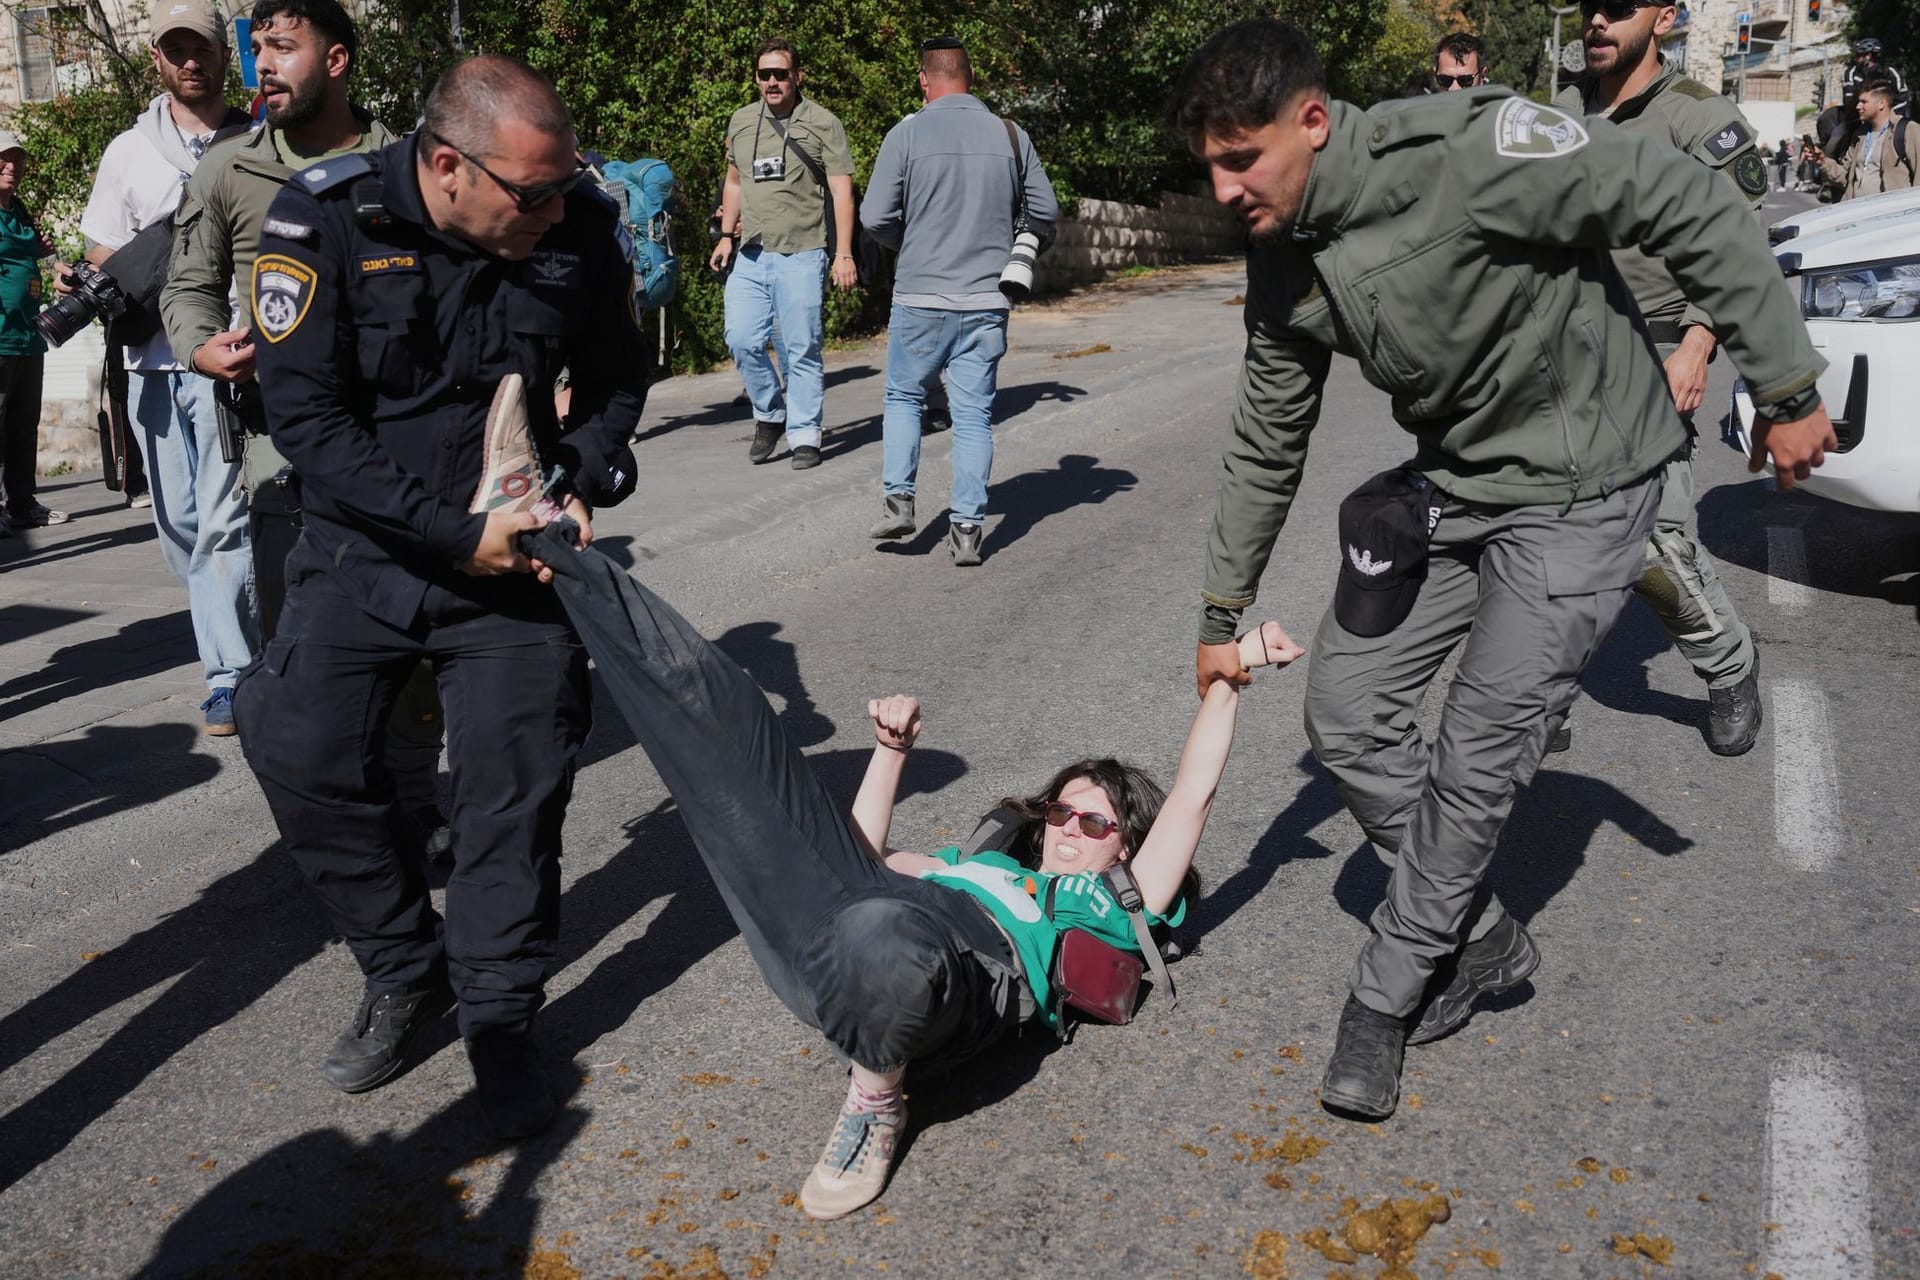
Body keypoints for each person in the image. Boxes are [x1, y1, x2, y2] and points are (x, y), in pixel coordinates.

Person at [1169, 19, 1836, 1122]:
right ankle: (1477, 936)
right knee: (1344, 710)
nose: (1229, 186)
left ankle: (1383, 996)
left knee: (1480, 749)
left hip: (1590, 482)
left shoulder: (1465, 153)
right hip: (1467, 482)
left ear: (1314, 121)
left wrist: (1788, 383)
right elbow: (1267, 431)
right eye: (1212, 167)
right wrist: (1221, 605)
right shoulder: (1282, 252)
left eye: (1245, 157)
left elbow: (1687, 200)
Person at [531, 513, 1300, 1216]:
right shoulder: (972, 863)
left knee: (882, 933)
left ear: (1123, 842)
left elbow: (1193, 794)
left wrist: (1234, 671)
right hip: (845, 943)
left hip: (961, 975)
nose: (1067, 828)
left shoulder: (1110, 902)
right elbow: (855, 861)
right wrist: (890, 755)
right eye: (1059, 810)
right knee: (729, 715)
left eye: (1092, 819)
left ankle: (875, 1098)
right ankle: (550, 544)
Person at [235, 54, 645, 1139]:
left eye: (562, 190)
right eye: (532, 194)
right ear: (450, 166)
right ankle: (403, 966)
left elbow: (617, 377)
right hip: (367, 553)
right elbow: (309, 424)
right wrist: (454, 533)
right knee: (299, 748)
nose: (554, 211)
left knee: (516, 785)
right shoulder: (325, 219)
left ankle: (501, 1017)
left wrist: (584, 472)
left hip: (518, 565)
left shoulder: (577, 226)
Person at [158, 0, 447, 843]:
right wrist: (202, 349)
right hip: (280, 453)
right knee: (314, 646)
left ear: (341, 59)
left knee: (414, 636)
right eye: (256, 49)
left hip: (401, 439)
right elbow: (187, 285)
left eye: (283, 47)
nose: (262, 66)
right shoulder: (229, 166)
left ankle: (415, 801)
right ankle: (345, 814)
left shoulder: (407, 162)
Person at [1554, 0, 1768, 756]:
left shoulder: (1693, 117)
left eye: (1619, 7)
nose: (1598, 21)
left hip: (1659, 347)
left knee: (1654, 542)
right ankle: (1536, 695)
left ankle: (1729, 664)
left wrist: (1701, 339)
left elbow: (1743, 235)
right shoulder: (1559, 112)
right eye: (1589, 8)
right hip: (1563, 352)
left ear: (1666, 17)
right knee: (1533, 529)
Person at [77, 0, 255, 733]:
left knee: (222, 521)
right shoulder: (128, 151)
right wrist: (106, 276)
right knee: (180, 525)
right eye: (174, 50)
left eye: (201, 48)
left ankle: (231, 675)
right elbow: (98, 249)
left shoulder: (257, 139)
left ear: (223, 55)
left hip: (226, 358)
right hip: (150, 363)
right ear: (156, 60)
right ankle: (241, 629)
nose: (190, 61)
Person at [859, 36, 1059, 566]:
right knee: (973, 416)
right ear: (971, 78)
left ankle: (900, 501)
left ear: (925, 80)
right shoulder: (1011, 135)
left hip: (920, 296)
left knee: (904, 397)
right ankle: (968, 530)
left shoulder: (905, 134)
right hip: (987, 298)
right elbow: (1046, 210)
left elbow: (874, 216)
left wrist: (912, 242)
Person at [707, 39, 858, 471]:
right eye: (764, 74)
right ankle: (771, 415)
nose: (772, 82)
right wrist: (724, 236)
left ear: (797, 76)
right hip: (751, 254)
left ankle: (806, 433)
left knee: (802, 346)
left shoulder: (823, 123)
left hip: (804, 251)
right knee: (741, 339)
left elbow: (841, 192)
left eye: (780, 74)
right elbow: (733, 183)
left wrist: (843, 252)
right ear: (756, 77)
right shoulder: (741, 121)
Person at [0, 132, 60, 535]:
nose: (12, 167)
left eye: (17, 160)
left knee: (23, 424)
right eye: (4, 159)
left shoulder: (20, 211)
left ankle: (22, 504)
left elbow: (38, 253)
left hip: (28, 336)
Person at [1808, 78, 1919, 199]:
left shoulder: (1908, 130)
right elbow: (1846, 178)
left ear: (1881, 104)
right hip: (1857, 211)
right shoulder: (1860, 134)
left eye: (1864, 102)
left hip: (1891, 213)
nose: (1858, 106)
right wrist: (1823, 162)